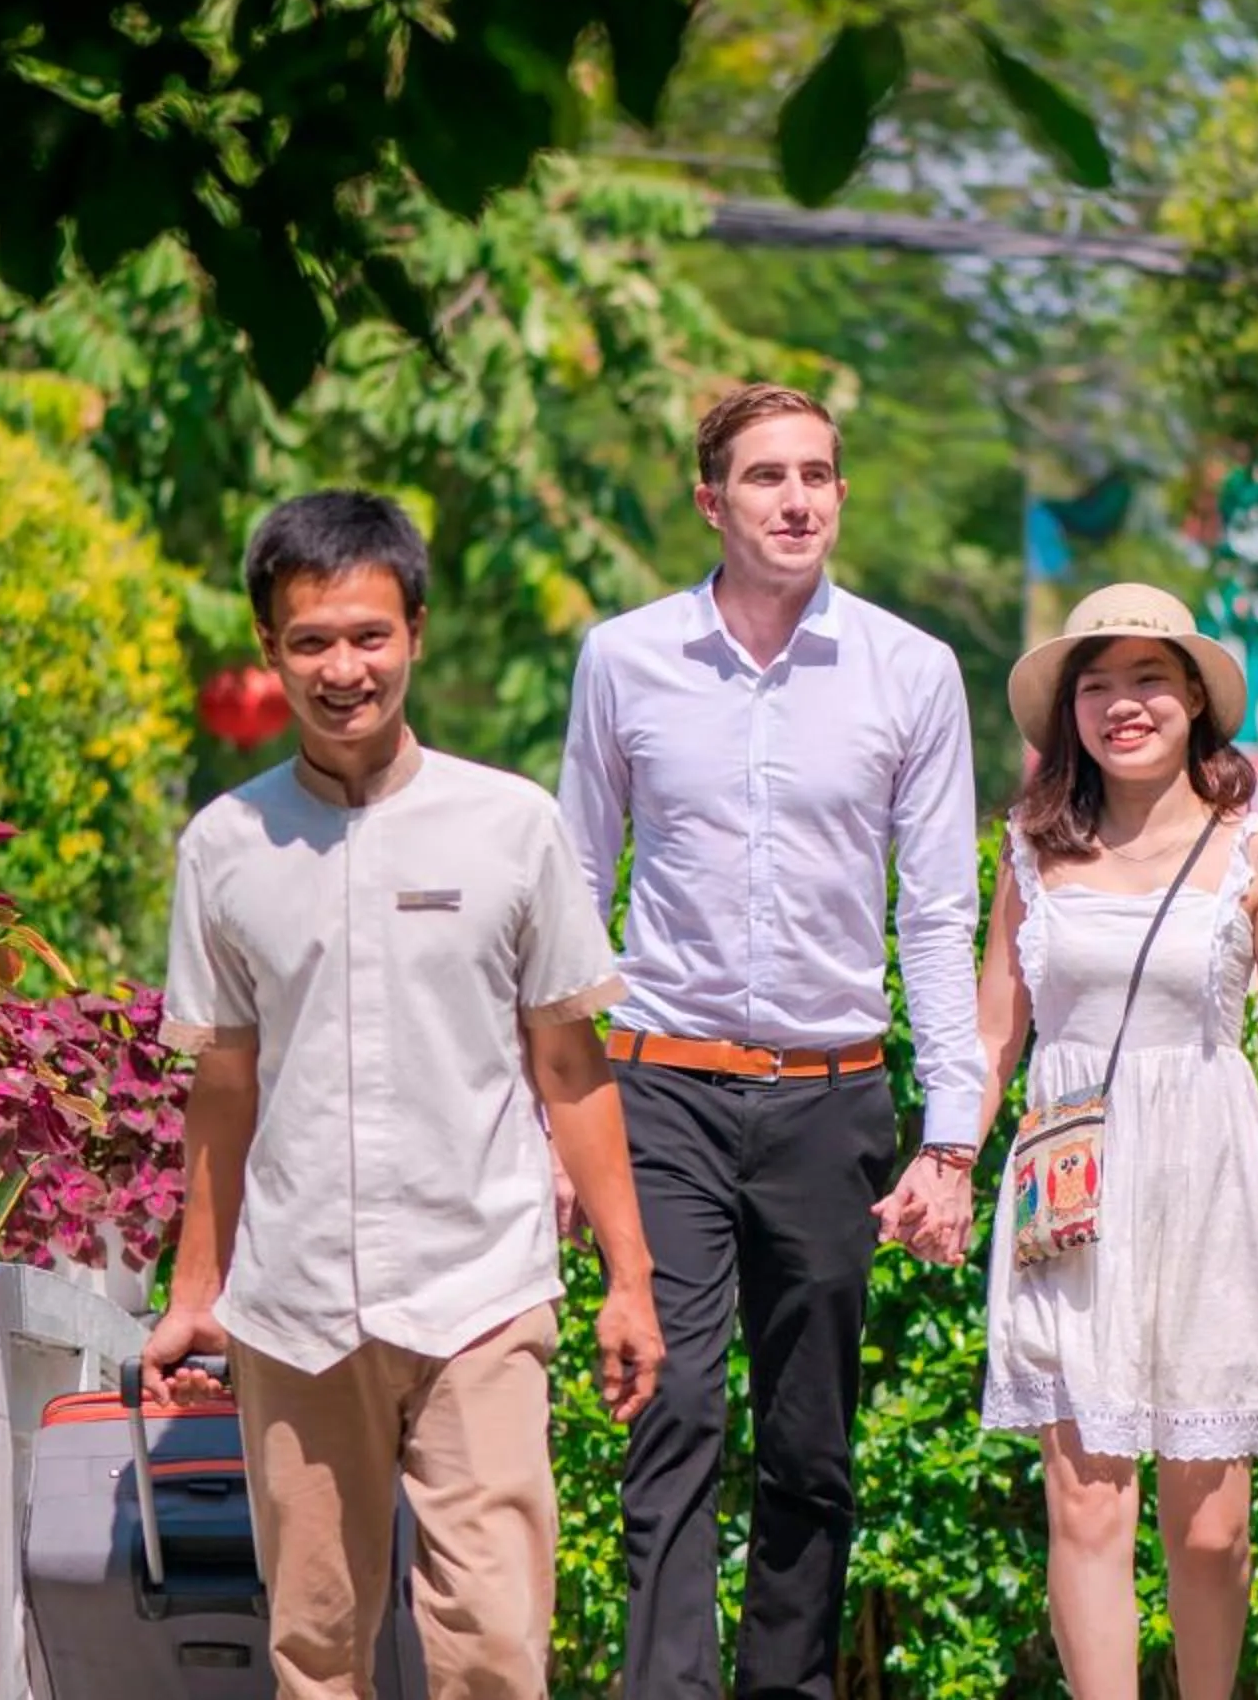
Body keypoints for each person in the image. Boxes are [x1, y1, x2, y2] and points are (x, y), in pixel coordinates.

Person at [143, 488, 667, 1700]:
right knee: (316, 1651)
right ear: (270, 649)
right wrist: (195, 1292)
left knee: (491, 1644)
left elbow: (571, 1065)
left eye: (369, 635)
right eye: (312, 640)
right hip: (296, 1304)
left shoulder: (511, 826)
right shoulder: (226, 846)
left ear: (417, 631)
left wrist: (630, 1283)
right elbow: (222, 1087)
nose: (344, 668)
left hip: (478, 1287)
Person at [557, 382, 986, 1700]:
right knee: (672, 1414)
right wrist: (557, 1125)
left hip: (831, 1101)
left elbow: (939, 907)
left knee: (812, 1444)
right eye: (765, 477)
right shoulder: (624, 659)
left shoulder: (912, 671)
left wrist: (953, 1131)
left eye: (817, 475)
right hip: (661, 1091)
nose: (796, 499)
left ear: (840, 493)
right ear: (711, 500)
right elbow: (573, 885)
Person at [974, 582, 1258, 1700]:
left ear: (1195, 699)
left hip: (1213, 1184)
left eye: (1149, 679)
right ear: (1070, 713)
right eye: (1099, 686)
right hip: (1070, 1189)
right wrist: (944, 1165)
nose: (1123, 705)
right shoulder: (1030, 852)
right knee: (1085, 1500)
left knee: (1212, 1524)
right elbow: (995, 1038)